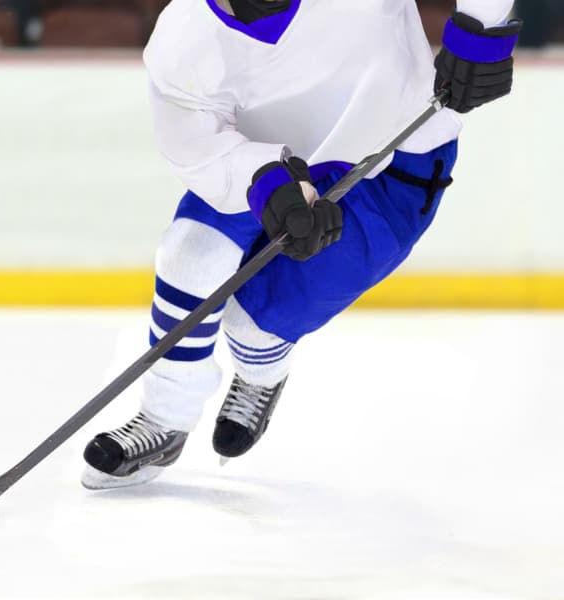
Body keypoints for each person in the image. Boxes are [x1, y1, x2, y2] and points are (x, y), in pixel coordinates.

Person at [80, 0, 521, 490]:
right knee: (192, 252)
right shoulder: (183, 37)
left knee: (257, 324)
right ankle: (164, 417)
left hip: (395, 163)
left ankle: (261, 369)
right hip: (267, 160)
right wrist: (265, 181)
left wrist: (482, 27)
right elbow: (196, 145)